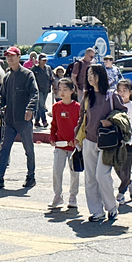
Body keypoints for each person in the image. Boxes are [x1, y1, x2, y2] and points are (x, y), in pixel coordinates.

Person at [74, 64, 127, 222]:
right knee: (90, 178)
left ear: (101, 76)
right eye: (88, 74)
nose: (90, 77)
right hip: (89, 140)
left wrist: (110, 121)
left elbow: (123, 114)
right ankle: (96, 211)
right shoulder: (87, 96)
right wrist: (77, 135)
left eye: (93, 74)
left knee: (101, 175)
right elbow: (82, 117)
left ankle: (111, 207)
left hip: (107, 142)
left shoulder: (112, 96)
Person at [0, 46, 39, 188]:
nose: (9, 58)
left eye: (12, 56)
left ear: (19, 56)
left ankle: (31, 176)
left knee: (28, 149)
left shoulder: (27, 75)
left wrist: (30, 109)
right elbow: (2, 98)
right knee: (4, 148)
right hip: (9, 120)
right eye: (7, 56)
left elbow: (35, 94)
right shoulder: (8, 77)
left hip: (24, 120)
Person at [48, 78, 81, 209]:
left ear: (72, 90)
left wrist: (76, 139)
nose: (61, 92)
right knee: (57, 170)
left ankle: (73, 196)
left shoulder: (77, 107)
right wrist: (52, 137)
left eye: (65, 89)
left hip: (73, 146)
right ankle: (57, 196)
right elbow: (54, 124)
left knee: (74, 172)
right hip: (60, 145)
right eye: (59, 89)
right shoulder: (56, 107)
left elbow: (80, 126)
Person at [31, 53, 54, 128]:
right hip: (38, 90)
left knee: (39, 106)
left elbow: (51, 78)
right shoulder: (35, 69)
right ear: (39, 61)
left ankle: (37, 121)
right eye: (43, 60)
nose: (44, 62)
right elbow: (31, 79)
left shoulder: (48, 68)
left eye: (45, 60)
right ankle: (44, 121)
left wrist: (52, 85)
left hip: (46, 89)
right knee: (41, 106)